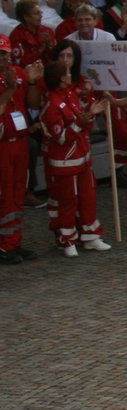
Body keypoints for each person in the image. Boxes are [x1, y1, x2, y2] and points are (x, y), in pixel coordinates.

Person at [40, 55, 112, 256]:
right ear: (61, 78)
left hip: (82, 156)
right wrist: (82, 120)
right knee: (68, 202)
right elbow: (60, 136)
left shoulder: (70, 95)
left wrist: (91, 113)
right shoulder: (52, 103)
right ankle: (67, 240)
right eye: (68, 73)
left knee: (88, 198)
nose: (71, 75)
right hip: (65, 161)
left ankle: (91, 236)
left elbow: (81, 123)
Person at [0, 37, 42, 264]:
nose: (4, 58)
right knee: (5, 194)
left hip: (21, 141)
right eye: (0, 54)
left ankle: (14, 242)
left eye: (5, 53)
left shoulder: (18, 72)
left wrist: (32, 82)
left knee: (18, 193)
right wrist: (9, 90)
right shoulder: (9, 79)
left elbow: (33, 104)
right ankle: (4, 245)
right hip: (3, 145)